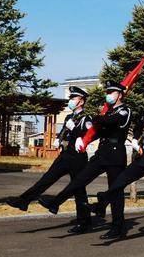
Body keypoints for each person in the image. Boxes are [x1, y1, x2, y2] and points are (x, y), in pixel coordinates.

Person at [36, 81, 131, 237]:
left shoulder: (124, 111)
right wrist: (85, 140)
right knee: (79, 180)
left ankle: (117, 227)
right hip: (102, 153)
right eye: (107, 93)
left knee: (115, 193)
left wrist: (95, 118)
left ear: (119, 95)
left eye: (111, 93)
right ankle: (56, 202)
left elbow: (111, 122)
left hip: (115, 155)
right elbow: (99, 131)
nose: (108, 95)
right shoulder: (107, 112)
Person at [6, 86, 93, 233]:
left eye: (74, 98)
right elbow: (64, 132)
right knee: (46, 179)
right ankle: (23, 201)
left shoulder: (86, 118)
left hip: (78, 158)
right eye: (70, 97)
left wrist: (75, 129)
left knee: (78, 190)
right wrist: (59, 139)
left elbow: (89, 134)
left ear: (81, 101)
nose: (70, 100)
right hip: (65, 155)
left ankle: (84, 222)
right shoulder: (68, 117)